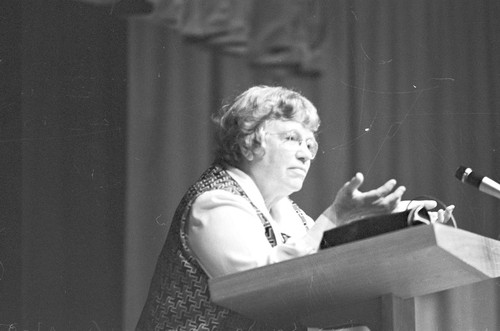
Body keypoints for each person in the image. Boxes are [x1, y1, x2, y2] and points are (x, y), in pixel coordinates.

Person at [135, 85, 454, 331]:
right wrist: (334, 218)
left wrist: (392, 224)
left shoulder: (289, 213)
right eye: (291, 138)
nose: (306, 154)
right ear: (249, 141)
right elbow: (267, 291)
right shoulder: (215, 203)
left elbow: (327, 271)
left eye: (310, 143)